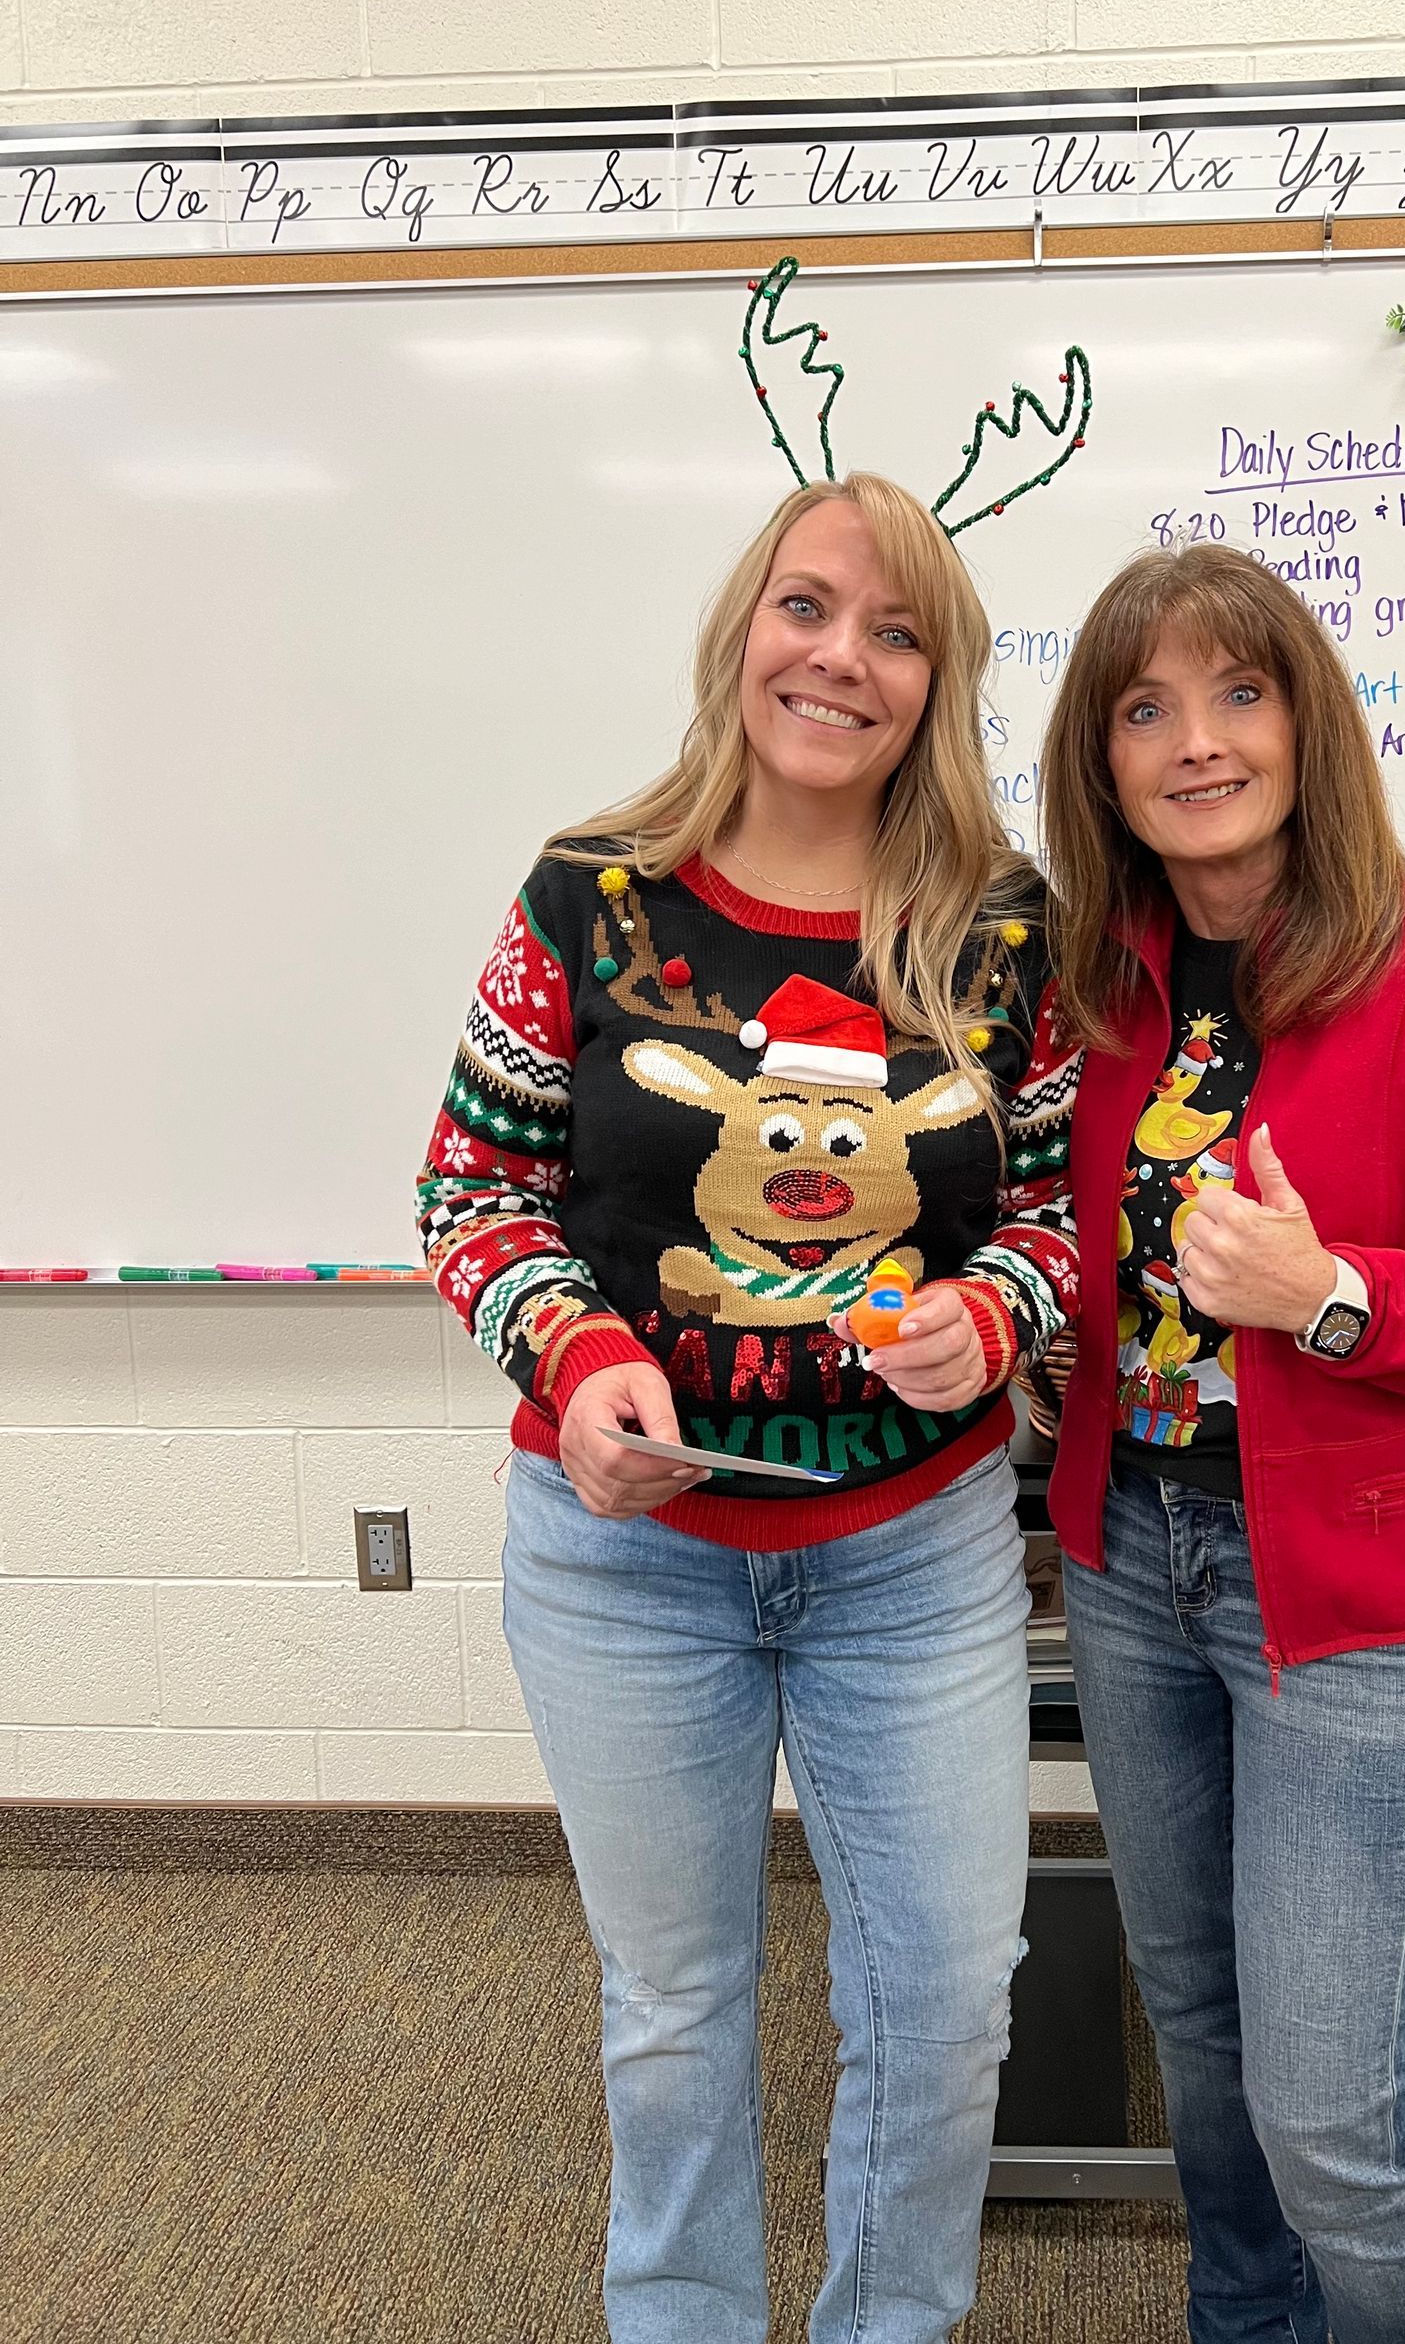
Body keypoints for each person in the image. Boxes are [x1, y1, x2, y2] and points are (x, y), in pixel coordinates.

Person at [418, 474, 1079, 2344]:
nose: (840, 659)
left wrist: (989, 1316)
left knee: (947, 2006)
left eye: (893, 632)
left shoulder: (1003, 929)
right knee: (678, 2010)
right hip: (628, 1560)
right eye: (808, 607)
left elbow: (1050, 1217)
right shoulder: (588, 891)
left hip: (913, 1561)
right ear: (742, 631)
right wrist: (580, 1355)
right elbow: (472, 1194)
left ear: (932, 684)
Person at [1037, 543, 1405, 2344]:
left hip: (1358, 1590)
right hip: (1130, 1557)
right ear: (1103, 762)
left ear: (1305, 719)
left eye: (1237, 693)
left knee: (1328, 2111)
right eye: (1145, 709)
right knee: (1198, 2039)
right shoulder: (1088, 985)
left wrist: (1335, 1293)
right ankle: (1248, 2325)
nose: (1196, 742)